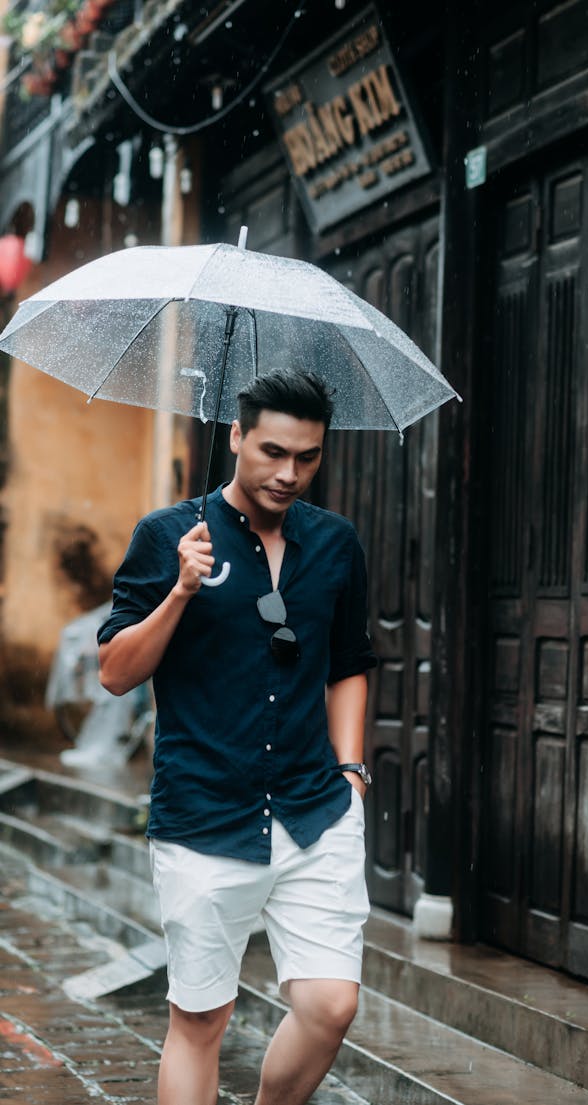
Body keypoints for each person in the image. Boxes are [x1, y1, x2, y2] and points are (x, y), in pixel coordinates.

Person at [97, 370, 376, 1105]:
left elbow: (349, 664)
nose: (289, 473)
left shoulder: (335, 545)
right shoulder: (168, 536)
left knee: (331, 1004)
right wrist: (180, 590)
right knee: (202, 1016)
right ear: (236, 436)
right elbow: (115, 672)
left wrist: (351, 770)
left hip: (314, 809)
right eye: (274, 451)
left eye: (308, 457)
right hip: (203, 812)